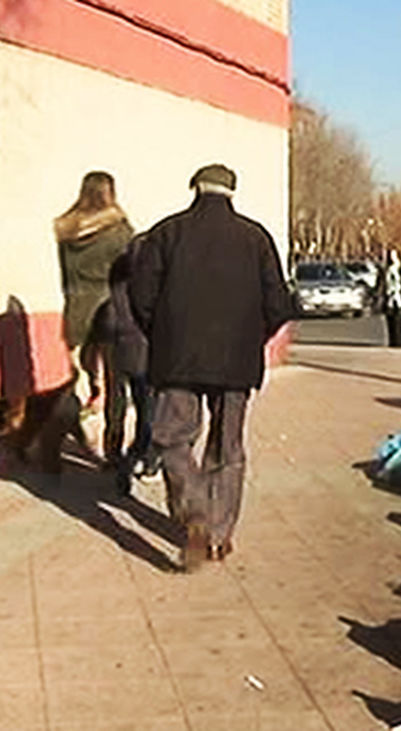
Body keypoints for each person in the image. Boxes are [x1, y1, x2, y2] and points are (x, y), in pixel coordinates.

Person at [130, 164, 292, 571]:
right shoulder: (255, 238)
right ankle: (219, 535)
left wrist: (163, 333)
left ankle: (193, 511)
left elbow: (141, 296)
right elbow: (278, 304)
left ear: (194, 189)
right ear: (232, 192)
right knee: (228, 447)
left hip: (177, 359)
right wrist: (251, 337)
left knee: (171, 440)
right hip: (237, 361)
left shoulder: (166, 233)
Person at [53, 171, 134, 468]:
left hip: (76, 308)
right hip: (110, 310)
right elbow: (130, 272)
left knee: (78, 379)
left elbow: (64, 276)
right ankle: (112, 450)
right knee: (115, 385)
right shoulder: (119, 230)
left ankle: (59, 439)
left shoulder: (65, 229)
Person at [93, 234, 157, 493]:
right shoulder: (150, 280)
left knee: (115, 401)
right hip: (140, 347)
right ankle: (144, 459)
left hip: (112, 341)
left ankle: (113, 453)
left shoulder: (116, 275)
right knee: (147, 407)